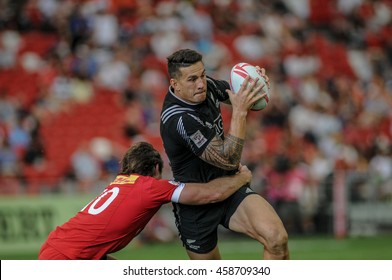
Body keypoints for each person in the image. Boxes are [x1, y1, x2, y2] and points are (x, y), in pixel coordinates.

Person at [160, 48, 289, 260]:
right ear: (175, 84)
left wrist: (254, 85)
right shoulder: (179, 119)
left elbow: (243, 98)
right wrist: (239, 112)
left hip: (229, 187)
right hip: (197, 202)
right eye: (192, 79)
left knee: (277, 239)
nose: (201, 83)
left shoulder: (206, 87)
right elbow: (228, 159)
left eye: (202, 74)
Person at [38, 142, 252, 260]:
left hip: (60, 250)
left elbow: (92, 240)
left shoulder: (119, 183)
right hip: (66, 258)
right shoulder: (149, 186)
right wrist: (241, 178)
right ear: (156, 168)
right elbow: (209, 194)